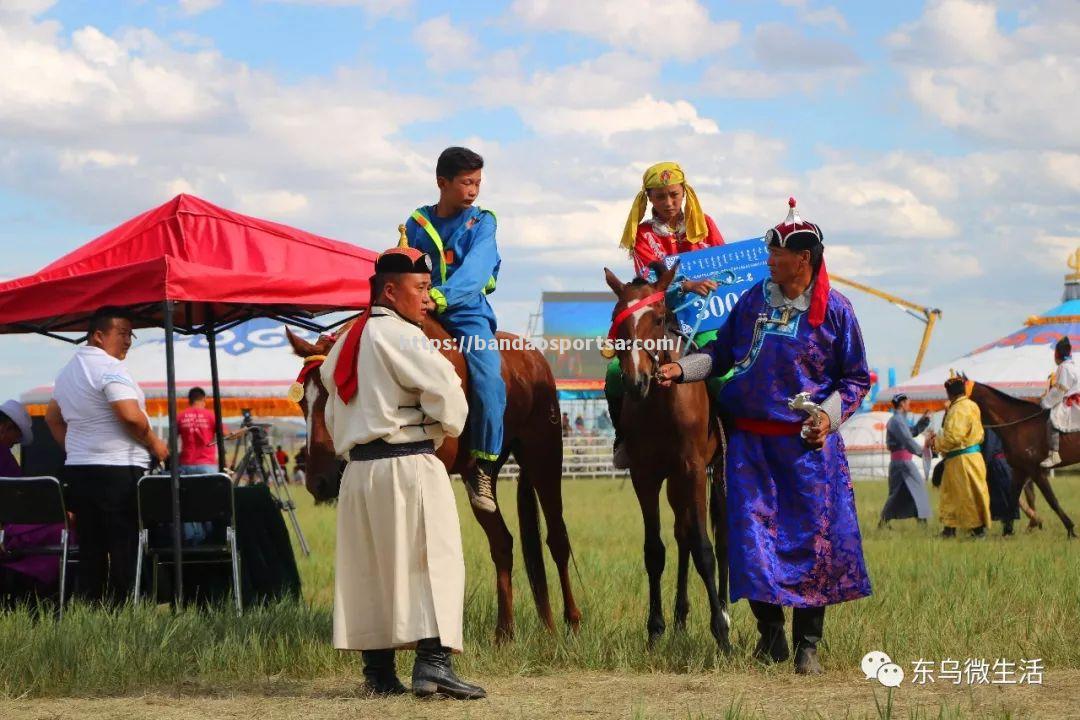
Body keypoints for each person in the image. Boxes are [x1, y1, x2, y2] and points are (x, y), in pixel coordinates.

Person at [657, 199, 871, 674]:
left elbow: (856, 379)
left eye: (777, 254)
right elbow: (719, 354)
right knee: (753, 542)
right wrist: (681, 368)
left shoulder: (836, 311)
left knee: (811, 544)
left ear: (804, 259)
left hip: (807, 448)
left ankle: (808, 645)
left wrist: (827, 419)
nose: (769, 261)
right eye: (770, 252)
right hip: (749, 445)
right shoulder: (753, 299)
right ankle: (770, 637)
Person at [321, 244, 485, 700]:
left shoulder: (348, 339)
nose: (427, 299)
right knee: (433, 560)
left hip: (358, 471)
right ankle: (433, 665)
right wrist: (438, 424)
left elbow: (333, 408)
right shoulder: (403, 336)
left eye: (429, 289)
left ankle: (377, 672)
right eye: (421, 288)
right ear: (391, 292)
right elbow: (449, 396)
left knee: (371, 569)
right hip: (407, 463)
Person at [45, 306, 168, 604]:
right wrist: (155, 443)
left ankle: (90, 613)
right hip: (118, 472)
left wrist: (75, 448)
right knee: (124, 547)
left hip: (80, 470)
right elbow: (130, 416)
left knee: (91, 549)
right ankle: (127, 614)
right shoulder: (109, 368)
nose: (128, 341)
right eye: (123, 333)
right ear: (99, 336)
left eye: (131, 335)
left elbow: (52, 418)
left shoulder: (66, 372)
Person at [402, 146, 502, 514]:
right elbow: (403, 266)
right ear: (442, 183)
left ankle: (483, 467)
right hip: (417, 310)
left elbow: (477, 271)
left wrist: (439, 299)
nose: (474, 190)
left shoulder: (484, 222)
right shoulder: (415, 224)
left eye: (477, 182)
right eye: (466, 183)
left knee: (490, 377)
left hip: (467, 314)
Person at [607, 162, 726, 469]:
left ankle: (732, 441)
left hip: (707, 318)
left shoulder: (706, 225)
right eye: (660, 197)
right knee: (613, 376)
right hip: (661, 322)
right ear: (649, 198)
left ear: (684, 192)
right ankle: (624, 440)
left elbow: (727, 263)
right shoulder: (643, 234)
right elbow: (648, 280)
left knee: (726, 370)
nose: (668, 203)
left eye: (674, 195)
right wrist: (686, 285)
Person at [0, 399, 70, 603]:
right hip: (9, 529)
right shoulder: (3, 455)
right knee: (64, 530)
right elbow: (20, 501)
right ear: (5, 428)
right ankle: (33, 586)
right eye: (14, 441)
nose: (13, 445)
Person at [932, 377, 992, 537]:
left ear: (950, 393)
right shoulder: (971, 405)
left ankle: (977, 529)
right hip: (964, 458)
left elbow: (954, 437)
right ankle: (949, 528)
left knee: (968, 495)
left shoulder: (958, 409)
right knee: (950, 494)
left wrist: (936, 443)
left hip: (963, 460)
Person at [879, 393, 932, 527]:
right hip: (903, 463)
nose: (910, 404)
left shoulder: (899, 420)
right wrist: (923, 452)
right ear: (902, 404)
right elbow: (907, 440)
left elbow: (911, 432)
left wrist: (924, 421)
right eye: (908, 402)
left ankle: (884, 523)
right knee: (918, 488)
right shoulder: (897, 421)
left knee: (898, 494)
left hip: (900, 463)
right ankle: (922, 522)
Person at [1040, 336, 1079, 468]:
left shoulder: (1063, 368)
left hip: (1071, 402)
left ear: (1057, 354)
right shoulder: (1073, 366)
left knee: (1052, 420)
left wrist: (1045, 403)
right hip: (1075, 399)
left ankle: (1054, 454)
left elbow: (1059, 391)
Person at [178, 387, 218, 475]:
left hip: (185, 464)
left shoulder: (180, 416)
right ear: (204, 399)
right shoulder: (211, 416)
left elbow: (171, 442)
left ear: (189, 400)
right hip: (207, 464)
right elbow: (226, 435)